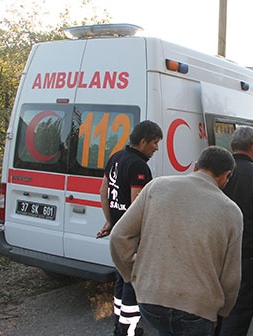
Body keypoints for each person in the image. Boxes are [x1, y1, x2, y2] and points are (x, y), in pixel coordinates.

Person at [109, 146, 243, 336]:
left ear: (196, 166)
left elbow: (118, 236)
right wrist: (222, 311)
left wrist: (134, 275)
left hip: (150, 301)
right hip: (197, 309)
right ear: (226, 175)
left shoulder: (156, 186)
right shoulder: (231, 211)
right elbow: (231, 277)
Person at [97, 120, 163, 336]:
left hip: (118, 233)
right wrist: (145, 235)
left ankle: (119, 324)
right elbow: (138, 206)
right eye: (154, 142)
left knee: (120, 277)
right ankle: (127, 330)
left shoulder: (115, 157)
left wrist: (111, 222)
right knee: (132, 283)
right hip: (133, 238)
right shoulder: (138, 166)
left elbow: (103, 191)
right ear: (143, 141)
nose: (156, 147)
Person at [216, 126, 253, 336]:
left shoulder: (216, 173)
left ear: (232, 145)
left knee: (213, 310)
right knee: (239, 313)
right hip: (247, 255)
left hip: (214, 253)